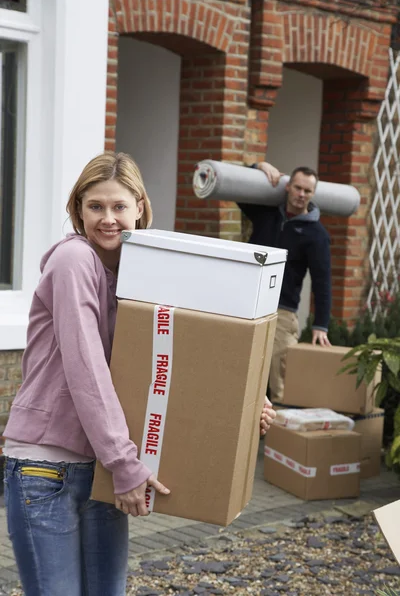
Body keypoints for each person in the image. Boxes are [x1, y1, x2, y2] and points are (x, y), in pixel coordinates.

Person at [2, 152, 276, 596]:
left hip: (103, 466)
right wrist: (126, 466)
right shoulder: (74, 261)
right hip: (47, 467)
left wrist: (245, 405)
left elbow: (188, 352)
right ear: (78, 209)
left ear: (140, 207)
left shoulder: (138, 272)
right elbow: (86, 367)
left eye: (119, 206)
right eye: (96, 207)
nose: (108, 218)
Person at [239, 161, 332, 402]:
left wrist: (321, 325)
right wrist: (257, 167)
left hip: (282, 313)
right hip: (247, 303)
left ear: (313, 195)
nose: (301, 195)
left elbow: (322, 282)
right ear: (288, 187)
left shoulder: (316, 234)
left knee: (283, 386)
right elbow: (238, 188)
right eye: (298, 188)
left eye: (307, 191)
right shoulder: (266, 214)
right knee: (240, 375)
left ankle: (282, 440)